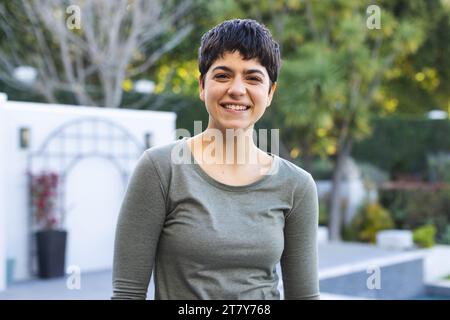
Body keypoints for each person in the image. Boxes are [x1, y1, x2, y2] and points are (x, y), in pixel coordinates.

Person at [112, 19, 320, 300]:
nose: (236, 89)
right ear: (202, 85)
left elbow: (304, 297)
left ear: (270, 93)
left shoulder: (297, 186)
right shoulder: (160, 169)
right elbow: (127, 294)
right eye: (223, 75)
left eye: (253, 78)